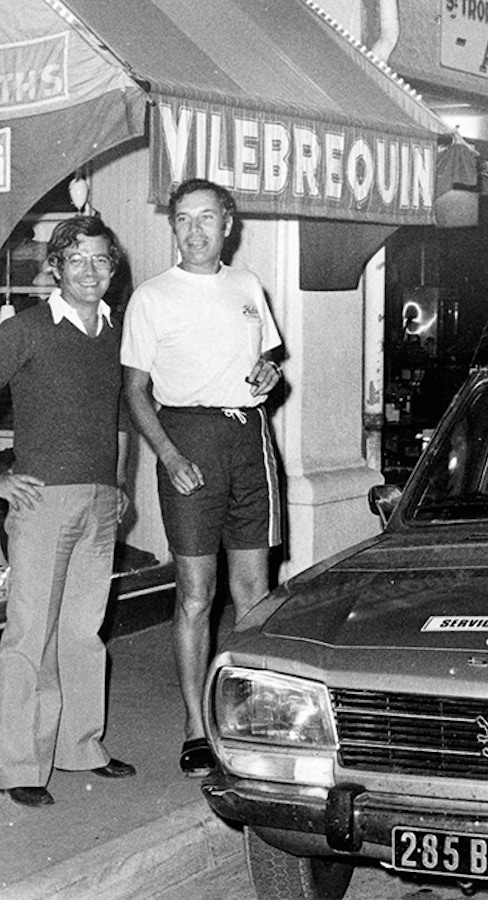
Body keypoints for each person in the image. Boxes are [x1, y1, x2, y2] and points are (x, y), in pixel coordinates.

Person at [121, 179, 283, 777]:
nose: (195, 230)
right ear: (173, 229)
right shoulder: (152, 296)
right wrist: (167, 454)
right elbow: (135, 390)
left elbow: (265, 363)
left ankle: (256, 718)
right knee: (195, 596)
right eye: (183, 219)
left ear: (228, 225)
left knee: (255, 595)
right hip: (186, 441)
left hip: (248, 439)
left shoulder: (247, 287)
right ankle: (195, 725)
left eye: (206, 218)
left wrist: (268, 374)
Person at [0, 216, 135, 808]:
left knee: (83, 631)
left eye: (101, 260)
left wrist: (121, 483)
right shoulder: (25, 329)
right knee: (30, 633)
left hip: (101, 500)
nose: (89, 271)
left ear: (113, 268)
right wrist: (0, 477)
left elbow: (126, 415)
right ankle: (19, 764)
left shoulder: (117, 332)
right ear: (55, 266)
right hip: (41, 502)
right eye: (76, 260)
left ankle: (81, 746)